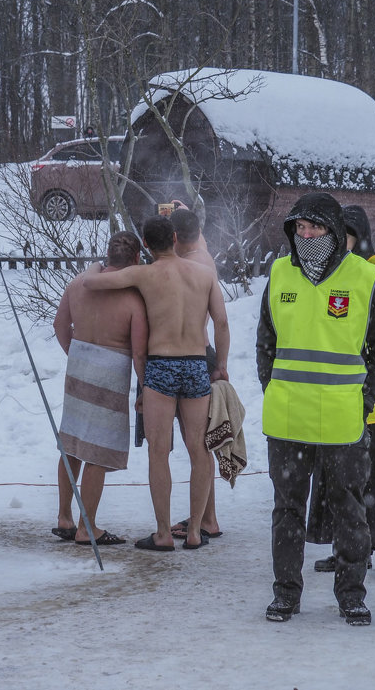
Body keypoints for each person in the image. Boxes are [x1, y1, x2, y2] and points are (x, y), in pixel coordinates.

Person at [256, 192, 375, 626]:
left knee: (349, 509)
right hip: (287, 418)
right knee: (287, 511)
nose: (306, 235)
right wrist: (273, 388)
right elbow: (266, 344)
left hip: (342, 420)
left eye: (314, 228)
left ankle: (351, 595)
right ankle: (286, 594)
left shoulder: (363, 278)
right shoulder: (280, 274)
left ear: (334, 231)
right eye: (299, 228)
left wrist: (364, 403)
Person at [84, 215, 230, 551]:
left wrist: (94, 265)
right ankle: (195, 531)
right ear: (175, 237)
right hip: (195, 363)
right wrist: (220, 365)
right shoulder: (204, 275)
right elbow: (221, 323)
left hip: (161, 365)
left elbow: (93, 284)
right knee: (199, 450)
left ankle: (163, 534)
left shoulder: (143, 274)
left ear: (146, 245)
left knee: (158, 453)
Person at [307, 204, 375, 577]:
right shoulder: (330, 273)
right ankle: (349, 548)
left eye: (344, 235)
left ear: (360, 235)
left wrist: (350, 271)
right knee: (341, 475)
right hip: (341, 388)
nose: (338, 244)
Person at [52, 231, 148, 546]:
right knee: (97, 452)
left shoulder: (78, 283)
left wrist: (75, 354)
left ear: (107, 256)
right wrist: (144, 388)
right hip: (111, 372)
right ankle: (87, 526)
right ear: (135, 260)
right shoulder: (132, 298)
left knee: (73, 444)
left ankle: (64, 516)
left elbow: (59, 325)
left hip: (79, 364)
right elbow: (138, 352)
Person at [168, 203, 225, 540]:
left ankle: (203, 519)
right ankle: (208, 517)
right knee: (201, 443)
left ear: (174, 237)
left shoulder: (186, 267)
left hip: (190, 354)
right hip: (204, 354)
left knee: (197, 446)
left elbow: (222, 322)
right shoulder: (203, 257)